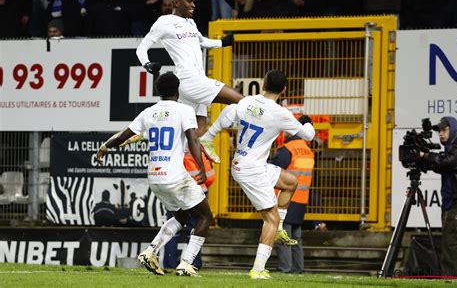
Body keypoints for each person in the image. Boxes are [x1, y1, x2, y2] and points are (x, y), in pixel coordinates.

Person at [96, 72, 212, 277]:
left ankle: (150, 251)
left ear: (158, 91)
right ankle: (186, 263)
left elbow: (124, 135)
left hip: (155, 177)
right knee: (204, 215)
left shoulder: (148, 112)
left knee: (182, 215)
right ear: (178, 90)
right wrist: (201, 168)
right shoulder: (184, 110)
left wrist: (104, 147)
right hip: (175, 176)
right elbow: (193, 140)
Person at [204, 70, 316, 279]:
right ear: (284, 90)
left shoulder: (247, 102)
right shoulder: (280, 113)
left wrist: (211, 134)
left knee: (291, 182)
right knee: (270, 220)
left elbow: (229, 113)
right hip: (251, 170)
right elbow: (308, 135)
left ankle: (280, 228)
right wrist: (307, 121)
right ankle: (257, 269)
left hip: (250, 164)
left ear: (263, 84)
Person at [136, 0, 244, 162]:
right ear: (176, 2)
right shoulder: (164, 22)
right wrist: (146, 64)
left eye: (194, 1)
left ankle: (174, 162)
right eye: (189, 1)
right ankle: (208, 139)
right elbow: (142, 47)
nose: (193, 5)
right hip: (189, 79)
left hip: (196, 80)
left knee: (197, 128)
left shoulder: (191, 23)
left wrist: (222, 43)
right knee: (242, 100)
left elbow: (202, 41)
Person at [419, 116, 457, 277]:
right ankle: (451, 280)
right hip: (455, 204)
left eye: (444, 130)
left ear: (453, 129)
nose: (440, 134)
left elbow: (446, 162)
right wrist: (427, 160)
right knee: (452, 246)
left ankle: (456, 281)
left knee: (452, 246)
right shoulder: (453, 147)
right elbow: (441, 165)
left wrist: (425, 156)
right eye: (439, 131)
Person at [270, 115, 315, 274]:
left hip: (286, 198)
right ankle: (297, 268)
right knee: (296, 236)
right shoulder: (308, 151)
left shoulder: (287, 150)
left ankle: (285, 267)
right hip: (301, 200)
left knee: (282, 235)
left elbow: (272, 172)